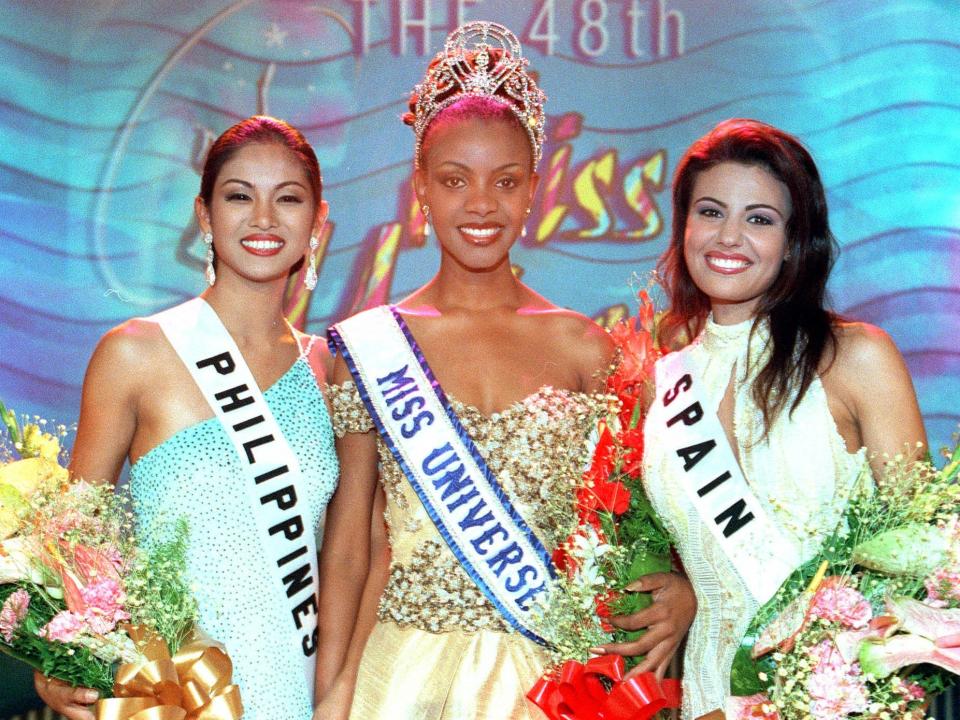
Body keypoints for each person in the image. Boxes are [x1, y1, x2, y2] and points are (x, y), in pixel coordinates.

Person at [312, 21, 696, 720]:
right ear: (420, 189)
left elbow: (649, 522)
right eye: (455, 180)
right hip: (400, 678)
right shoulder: (368, 348)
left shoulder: (588, 349)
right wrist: (332, 692)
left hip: (551, 679)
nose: (481, 204)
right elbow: (352, 547)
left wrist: (683, 586)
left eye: (505, 181)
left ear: (534, 192)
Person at [34, 115, 339, 720]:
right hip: (172, 695)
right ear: (204, 215)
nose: (263, 219)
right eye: (238, 196)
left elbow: (346, 553)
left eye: (288, 199)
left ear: (317, 223)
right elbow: (75, 534)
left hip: (296, 691)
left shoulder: (332, 369)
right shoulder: (135, 352)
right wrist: (59, 661)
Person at [641, 118, 927, 720]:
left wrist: (800, 696)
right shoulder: (661, 382)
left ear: (796, 240)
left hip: (832, 699)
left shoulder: (856, 356)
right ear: (684, 225)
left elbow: (926, 562)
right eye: (711, 212)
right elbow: (681, 551)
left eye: (760, 219)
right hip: (702, 699)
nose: (729, 238)